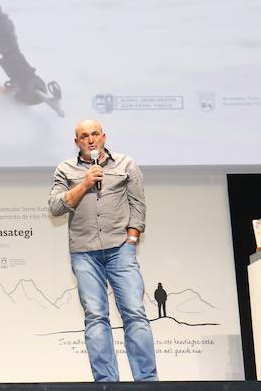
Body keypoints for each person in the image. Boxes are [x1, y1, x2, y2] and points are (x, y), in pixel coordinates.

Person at [48, 119, 157, 382]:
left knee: (135, 313)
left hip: (120, 249)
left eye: (95, 134)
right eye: (84, 136)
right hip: (84, 253)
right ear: (77, 142)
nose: (91, 139)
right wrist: (84, 183)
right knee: (96, 318)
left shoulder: (125, 164)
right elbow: (55, 207)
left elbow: (138, 204)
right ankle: (106, 383)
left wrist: (132, 239)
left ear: (104, 137)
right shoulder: (65, 169)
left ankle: (147, 382)